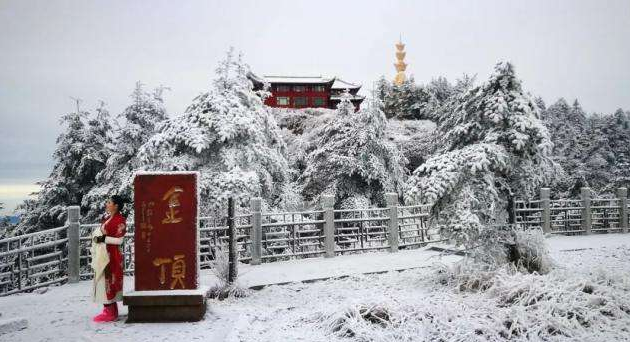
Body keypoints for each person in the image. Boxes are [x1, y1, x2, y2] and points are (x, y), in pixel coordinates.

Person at [91, 195, 127, 322]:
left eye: (109, 202)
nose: (106, 204)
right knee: (103, 280)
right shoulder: (109, 218)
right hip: (104, 253)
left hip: (111, 255)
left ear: (116, 205)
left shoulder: (120, 220)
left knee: (107, 281)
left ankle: (110, 312)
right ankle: (111, 310)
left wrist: (103, 239)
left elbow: (120, 240)